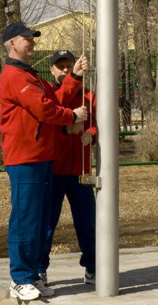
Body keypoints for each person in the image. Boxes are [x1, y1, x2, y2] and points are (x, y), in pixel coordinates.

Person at [0, 23, 88, 302]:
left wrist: (72, 77)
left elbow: (54, 97)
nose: (32, 43)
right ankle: (20, 279)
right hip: (25, 158)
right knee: (25, 218)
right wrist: (72, 117)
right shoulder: (15, 75)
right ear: (13, 43)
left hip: (41, 156)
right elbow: (44, 108)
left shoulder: (30, 75)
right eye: (27, 39)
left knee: (38, 220)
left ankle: (33, 275)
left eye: (32, 39)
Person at [38, 49, 97, 286]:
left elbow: (96, 125)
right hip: (53, 171)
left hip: (80, 172)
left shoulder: (89, 96)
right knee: (47, 224)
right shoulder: (49, 94)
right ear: (51, 70)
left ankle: (93, 268)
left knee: (88, 223)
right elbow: (55, 112)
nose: (64, 69)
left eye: (68, 65)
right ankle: (40, 269)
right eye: (60, 66)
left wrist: (91, 135)